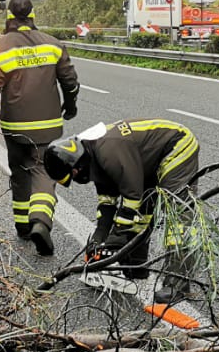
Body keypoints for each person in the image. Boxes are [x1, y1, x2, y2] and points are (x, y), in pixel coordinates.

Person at [43, 119, 201, 304]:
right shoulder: (93, 156)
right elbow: (107, 203)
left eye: (75, 175)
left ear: (76, 162)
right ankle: (135, 265)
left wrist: (115, 241)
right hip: (146, 161)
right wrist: (99, 237)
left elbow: (132, 196)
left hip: (176, 146)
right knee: (141, 214)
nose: (78, 179)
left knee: (177, 216)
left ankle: (179, 285)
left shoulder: (108, 152)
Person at [0, 0, 79, 255]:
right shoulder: (53, 45)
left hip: (15, 126)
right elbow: (70, 81)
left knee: (20, 172)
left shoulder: (0, 48)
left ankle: (22, 226)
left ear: (9, 17)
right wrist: (71, 104)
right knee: (43, 171)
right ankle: (40, 222)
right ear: (33, 16)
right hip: (48, 126)